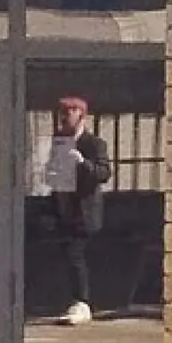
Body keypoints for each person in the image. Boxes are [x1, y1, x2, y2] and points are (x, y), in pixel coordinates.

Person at [44, 96, 113, 325]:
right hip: (63, 208)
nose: (64, 118)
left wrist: (83, 163)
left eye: (69, 113)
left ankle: (82, 302)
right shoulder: (60, 142)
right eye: (62, 113)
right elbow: (52, 174)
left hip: (84, 210)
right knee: (69, 255)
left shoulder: (94, 144)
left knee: (76, 254)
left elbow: (103, 173)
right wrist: (51, 173)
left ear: (81, 116)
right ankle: (76, 300)